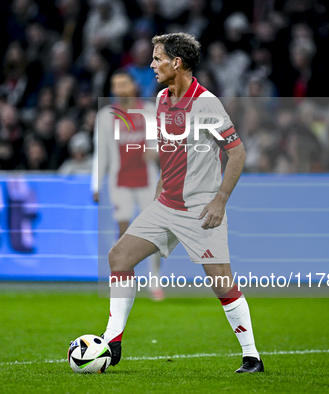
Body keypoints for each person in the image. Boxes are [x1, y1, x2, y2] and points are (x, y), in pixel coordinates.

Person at [100, 33, 263, 373]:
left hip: (200, 208)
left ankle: (252, 356)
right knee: (119, 257)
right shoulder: (161, 98)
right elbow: (169, 150)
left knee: (221, 282)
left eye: (157, 58)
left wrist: (219, 201)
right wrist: (160, 188)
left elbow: (237, 153)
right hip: (165, 205)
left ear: (176, 63)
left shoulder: (206, 103)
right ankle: (112, 341)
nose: (151, 65)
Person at [92, 69, 164, 300]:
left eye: (124, 83)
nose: (120, 88)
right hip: (119, 180)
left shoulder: (150, 111)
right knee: (123, 232)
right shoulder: (106, 116)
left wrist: (155, 151)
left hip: (147, 180)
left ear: (134, 86)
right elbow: (101, 153)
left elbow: (161, 143)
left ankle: (154, 281)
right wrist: (95, 184)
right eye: (115, 84)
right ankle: (122, 281)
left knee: (153, 232)